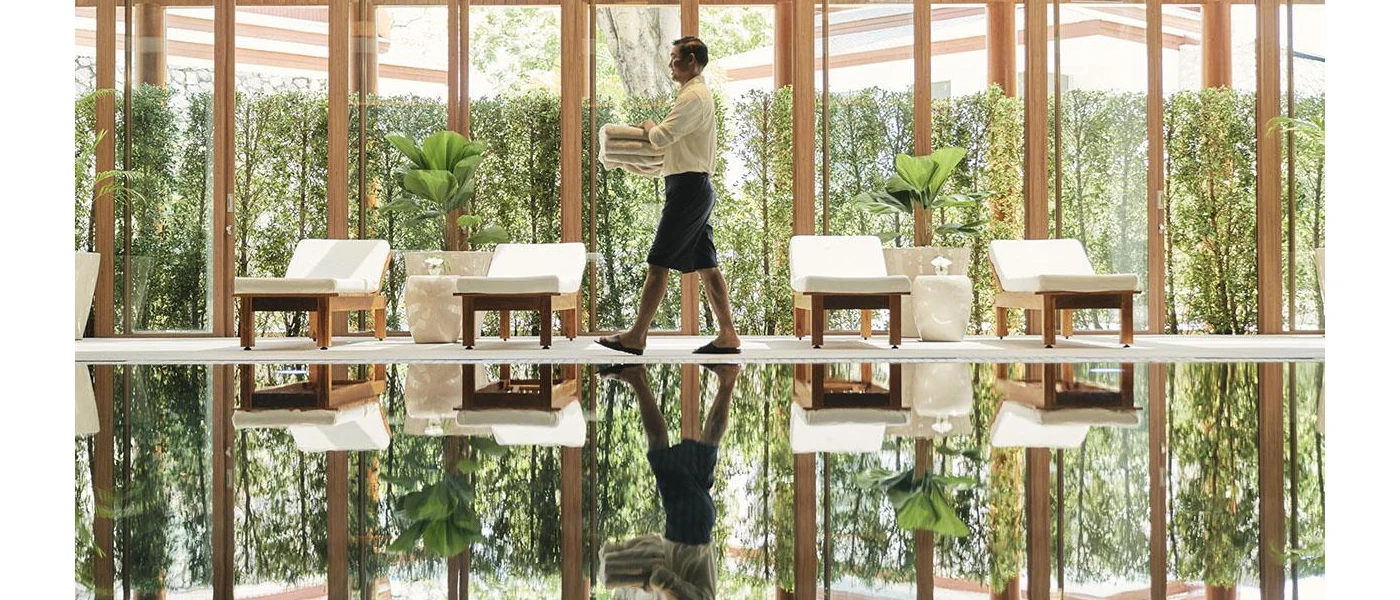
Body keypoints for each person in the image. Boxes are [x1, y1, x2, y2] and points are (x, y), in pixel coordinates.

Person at [597, 36, 741, 356]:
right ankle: (728, 334)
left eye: (675, 58)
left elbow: (661, 137)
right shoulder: (694, 95)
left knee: (657, 262)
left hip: (689, 189)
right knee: (707, 265)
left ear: (691, 60)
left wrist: (649, 125)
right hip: (693, 187)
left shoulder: (694, 96)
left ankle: (636, 335)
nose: (670, 64)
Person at [597, 363, 739, 600]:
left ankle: (729, 378)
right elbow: (662, 578)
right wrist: (652, 585)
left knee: (708, 444)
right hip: (687, 524)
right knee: (658, 448)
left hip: (699, 524)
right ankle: (637, 378)